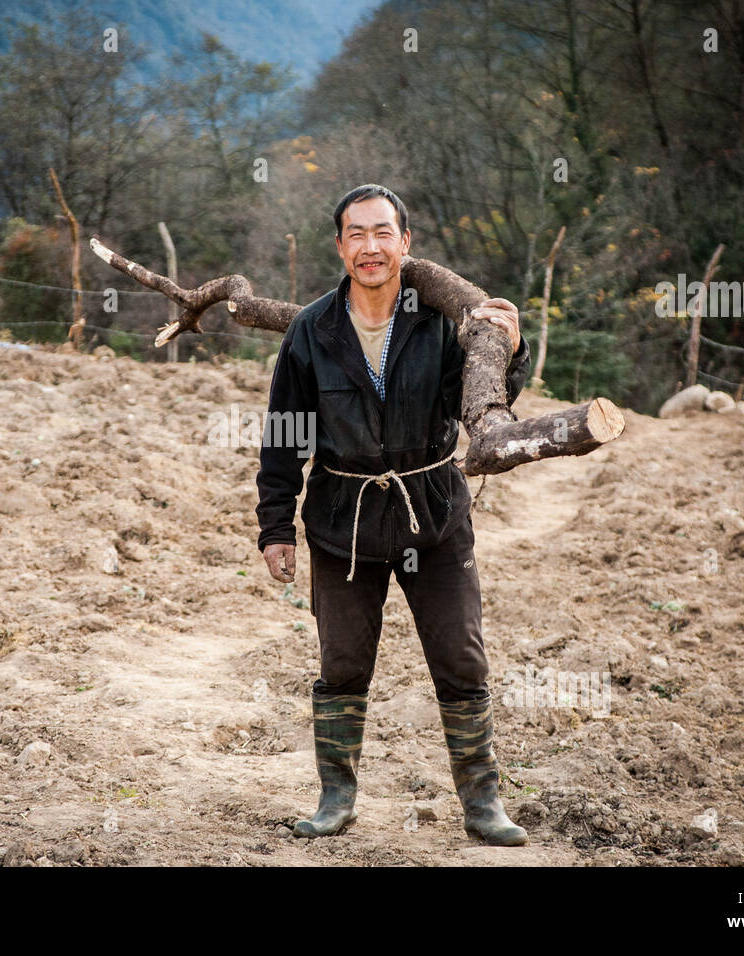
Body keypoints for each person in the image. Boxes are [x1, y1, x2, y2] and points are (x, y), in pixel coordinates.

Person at [255, 183, 531, 845]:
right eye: (356, 234)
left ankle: (482, 804)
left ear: (406, 244)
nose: (370, 247)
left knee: (461, 658)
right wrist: (274, 525)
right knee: (343, 662)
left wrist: (514, 350)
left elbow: (482, 397)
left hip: (432, 512)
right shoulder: (311, 330)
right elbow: (284, 434)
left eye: (383, 233)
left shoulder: (438, 320)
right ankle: (336, 797)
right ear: (340, 245)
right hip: (341, 520)